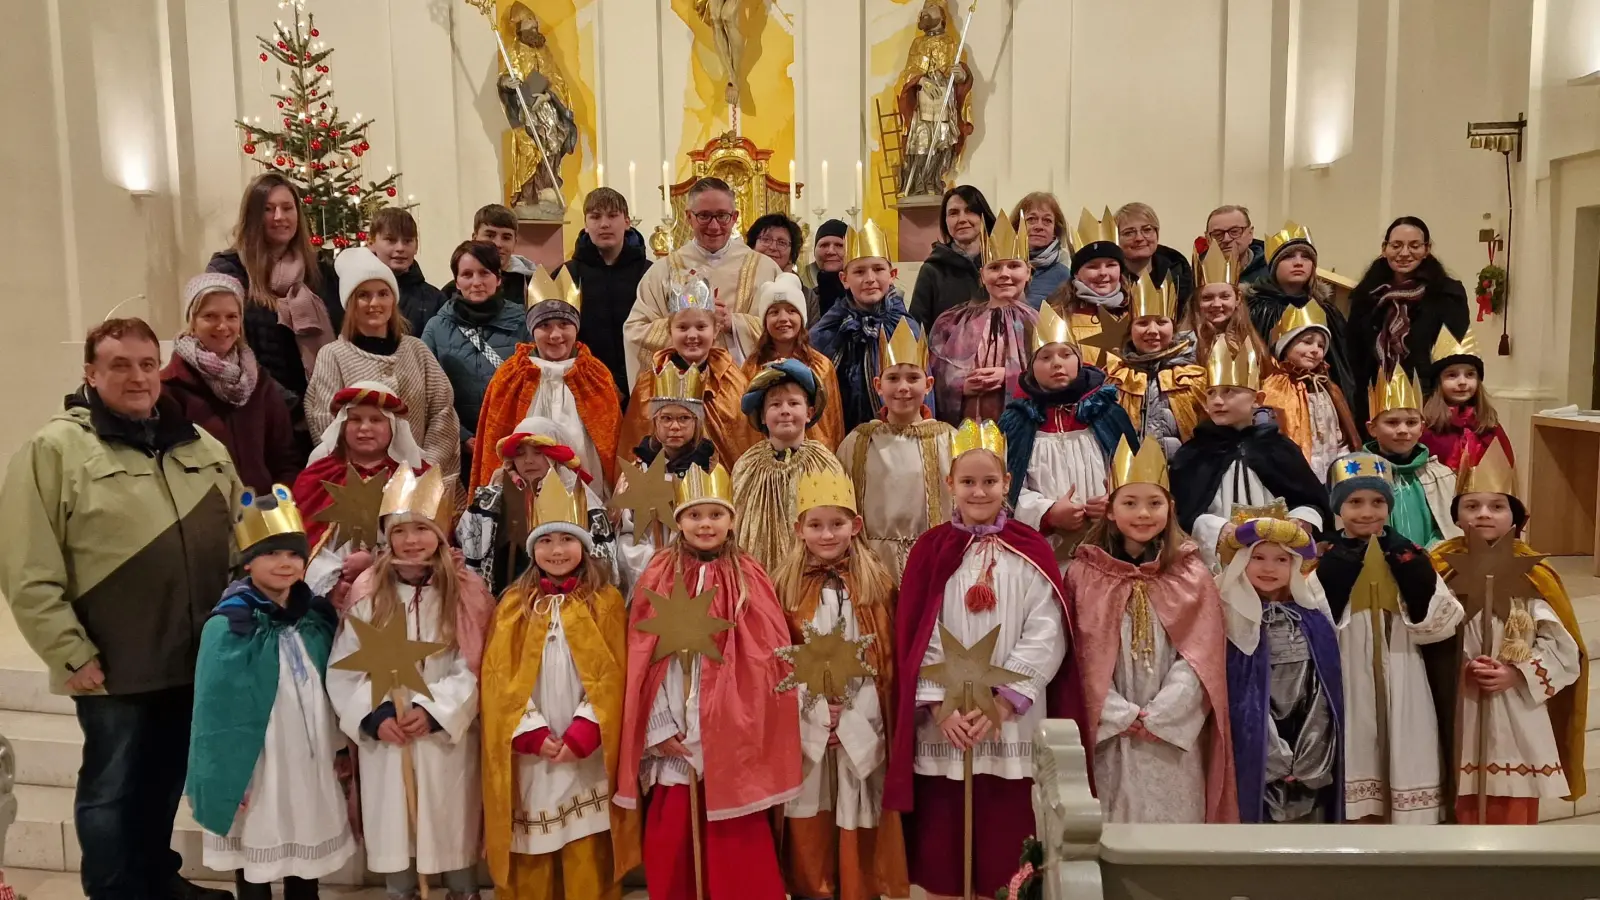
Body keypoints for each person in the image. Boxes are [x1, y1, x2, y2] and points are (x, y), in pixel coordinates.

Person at [0, 318, 240, 900]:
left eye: (146, 364)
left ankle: (157, 876)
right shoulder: (53, 450)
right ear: (90, 373)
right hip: (111, 661)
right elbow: (26, 567)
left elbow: (240, 540)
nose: (137, 377)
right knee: (111, 787)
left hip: (191, 655)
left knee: (163, 779)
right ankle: (114, 890)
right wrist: (68, 652)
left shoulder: (201, 445)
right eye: (119, 365)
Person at [885, 420, 1086, 900]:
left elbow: (1046, 630)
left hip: (1011, 720)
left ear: (1007, 484)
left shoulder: (1030, 549)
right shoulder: (931, 550)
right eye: (968, 481)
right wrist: (940, 707)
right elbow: (920, 632)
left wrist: (1002, 703)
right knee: (946, 852)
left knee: (1006, 842)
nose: (978, 491)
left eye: (989, 481)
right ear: (950, 483)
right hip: (947, 723)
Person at [613, 463, 801, 900]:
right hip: (673, 729)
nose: (705, 524)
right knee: (676, 840)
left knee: (736, 846)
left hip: (730, 733)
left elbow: (765, 657)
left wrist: (720, 724)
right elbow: (645, 654)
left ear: (732, 520)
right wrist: (660, 726)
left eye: (716, 514)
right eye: (695, 515)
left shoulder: (749, 576)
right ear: (679, 519)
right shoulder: (659, 573)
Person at [326, 467, 494, 899]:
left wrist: (437, 712)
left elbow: (475, 664)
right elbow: (345, 666)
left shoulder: (464, 589)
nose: (411, 540)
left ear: (440, 533)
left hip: (445, 739)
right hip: (389, 736)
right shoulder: (369, 591)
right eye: (400, 530)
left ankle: (463, 889)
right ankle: (401, 891)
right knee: (395, 827)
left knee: (450, 822)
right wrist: (375, 715)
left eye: (422, 528)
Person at [187, 487, 353, 900]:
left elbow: (333, 688)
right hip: (256, 763)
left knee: (304, 842)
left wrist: (339, 748)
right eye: (271, 554)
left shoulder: (314, 619)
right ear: (248, 562)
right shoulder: (229, 626)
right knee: (256, 847)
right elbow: (213, 711)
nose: (285, 564)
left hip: (307, 758)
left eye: (294, 555)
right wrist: (225, 773)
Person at [480, 470, 640, 899]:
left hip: (585, 753)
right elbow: (499, 678)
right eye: (546, 541)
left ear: (583, 546)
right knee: (533, 842)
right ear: (534, 550)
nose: (556, 550)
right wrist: (530, 732)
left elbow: (613, 673)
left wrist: (585, 729)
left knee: (586, 846)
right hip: (533, 755)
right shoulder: (514, 603)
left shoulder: (605, 602)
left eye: (567, 540)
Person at [1065, 436, 1236, 823]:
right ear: (1109, 510)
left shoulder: (1191, 574)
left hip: (1174, 735)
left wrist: (1163, 715)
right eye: (1130, 503)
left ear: (1170, 508)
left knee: (1172, 821)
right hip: (1109, 731)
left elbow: (1201, 655)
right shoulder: (1085, 574)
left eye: (1154, 503)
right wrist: (1120, 714)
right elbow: (1081, 654)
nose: (1143, 514)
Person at [1430, 442, 1588, 824]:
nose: (1484, 514)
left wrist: (1516, 673)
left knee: (1512, 802)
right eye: (1472, 506)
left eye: (1497, 506)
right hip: (1459, 702)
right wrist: (1455, 669)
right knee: (1456, 793)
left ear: (1515, 518)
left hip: (1516, 704)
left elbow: (1563, 649)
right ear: (1456, 515)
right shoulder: (1436, 568)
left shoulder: (1534, 574)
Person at [773, 470, 909, 900]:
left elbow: (884, 662)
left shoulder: (877, 585)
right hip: (806, 723)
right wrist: (816, 714)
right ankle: (813, 889)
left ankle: (858, 889)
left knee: (857, 803)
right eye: (815, 525)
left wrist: (847, 718)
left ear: (856, 526)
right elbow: (776, 661)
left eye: (837, 524)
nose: (826, 534)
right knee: (810, 806)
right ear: (798, 529)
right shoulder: (783, 588)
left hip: (861, 721)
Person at [1318, 451, 1463, 822]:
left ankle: (1408, 818)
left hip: (1402, 656)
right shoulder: (1326, 556)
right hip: (1349, 660)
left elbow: (1445, 615)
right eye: (1355, 502)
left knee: (1408, 729)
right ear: (1338, 507)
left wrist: (1416, 588)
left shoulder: (1407, 553)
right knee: (1358, 731)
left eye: (1378, 501)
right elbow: (1314, 612)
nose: (1368, 512)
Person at [1219, 512, 1344, 824]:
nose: (1269, 568)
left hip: (1308, 750)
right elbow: (1238, 698)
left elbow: (1323, 696)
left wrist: (1307, 757)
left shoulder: (1312, 620)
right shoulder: (1228, 620)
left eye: (1281, 560)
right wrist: (1275, 756)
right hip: (1257, 753)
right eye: (1258, 557)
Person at [1169, 337, 1329, 568]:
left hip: (1277, 561)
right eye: (1211, 393)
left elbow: (1312, 501)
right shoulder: (1194, 453)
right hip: (1216, 563)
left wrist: (1303, 519)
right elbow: (1183, 513)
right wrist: (1214, 528)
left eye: (1229, 392)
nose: (1217, 401)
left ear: (1258, 399)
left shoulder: (1278, 448)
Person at [1001, 303, 1138, 567]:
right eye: (1045, 357)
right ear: (1030, 367)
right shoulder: (1017, 420)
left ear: (1079, 361)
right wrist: (1047, 513)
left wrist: (1115, 503)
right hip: (1043, 548)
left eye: (1066, 354)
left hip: (1107, 544)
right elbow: (1007, 485)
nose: (1057, 364)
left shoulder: (1107, 413)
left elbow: (1134, 476)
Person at [207, 172, 343, 437]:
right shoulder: (229, 270)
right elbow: (225, 348)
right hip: (257, 415)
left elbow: (341, 339)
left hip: (320, 416)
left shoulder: (320, 272)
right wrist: (290, 407)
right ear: (253, 217)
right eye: (268, 210)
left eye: (287, 208)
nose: (279, 217)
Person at [306, 246, 461, 476]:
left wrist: (424, 468)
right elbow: (325, 421)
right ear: (350, 304)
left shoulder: (417, 351)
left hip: (420, 479)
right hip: (359, 486)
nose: (374, 303)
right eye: (363, 295)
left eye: (382, 293)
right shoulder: (333, 356)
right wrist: (366, 474)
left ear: (393, 300)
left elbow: (442, 412)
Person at [469, 266, 623, 500]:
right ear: (532, 329)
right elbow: (492, 445)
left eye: (564, 324)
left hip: (586, 488)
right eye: (545, 326)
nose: (555, 335)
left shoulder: (595, 374)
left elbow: (611, 445)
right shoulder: (511, 375)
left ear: (577, 327)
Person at [624, 177, 781, 385]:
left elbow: (786, 331)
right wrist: (687, 323)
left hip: (743, 394)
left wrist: (732, 323)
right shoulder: (662, 272)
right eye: (704, 216)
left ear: (735, 217)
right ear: (689, 217)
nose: (714, 226)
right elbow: (635, 331)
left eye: (722, 216)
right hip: (681, 394)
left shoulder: (764, 269)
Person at [833, 319, 954, 581]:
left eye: (913, 378)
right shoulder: (858, 441)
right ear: (878, 385)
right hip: (872, 564)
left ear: (929, 384)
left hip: (931, 559)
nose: (902, 387)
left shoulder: (948, 439)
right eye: (893, 378)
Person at [162, 273, 298, 493]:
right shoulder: (171, 387)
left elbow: (285, 457)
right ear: (192, 321)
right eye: (210, 316)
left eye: (231, 316)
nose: (222, 326)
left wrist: (279, 500)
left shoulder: (260, 383)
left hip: (263, 512)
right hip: (206, 515)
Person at [458, 415, 620, 595]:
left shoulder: (585, 504)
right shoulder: (491, 502)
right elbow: (470, 553)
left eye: (538, 452)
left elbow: (603, 567)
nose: (528, 461)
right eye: (520, 453)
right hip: (508, 603)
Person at [292, 381, 426, 596]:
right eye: (355, 419)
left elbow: (429, 544)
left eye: (376, 420)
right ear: (343, 425)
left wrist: (377, 562)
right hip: (327, 598)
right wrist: (332, 584)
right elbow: (299, 544)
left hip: (397, 592)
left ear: (393, 426)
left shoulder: (415, 479)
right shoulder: (317, 477)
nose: (365, 427)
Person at [620, 279, 758, 469]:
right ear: (670, 330)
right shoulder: (649, 384)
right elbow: (634, 443)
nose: (692, 335)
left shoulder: (733, 380)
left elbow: (746, 440)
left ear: (716, 329)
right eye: (682, 327)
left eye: (701, 327)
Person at [1346, 216, 1472, 424]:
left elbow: (1453, 354)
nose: (1404, 253)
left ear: (1427, 249)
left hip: (1428, 401)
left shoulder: (1447, 293)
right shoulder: (1366, 295)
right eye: (1396, 245)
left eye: (1414, 246)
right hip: (1374, 399)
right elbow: (1354, 354)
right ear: (1384, 248)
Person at [423, 240, 532, 480]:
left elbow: (535, 385)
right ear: (457, 281)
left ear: (499, 278)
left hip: (515, 447)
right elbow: (428, 392)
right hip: (456, 449)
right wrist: (463, 437)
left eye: (485, 273)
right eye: (467, 274)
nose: (476, 282)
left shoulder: (524, 324)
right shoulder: (436, 328)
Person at [731, 359, 849, 574]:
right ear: (763, 417)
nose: (785, 410)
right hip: (757, 576)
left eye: (794, 403)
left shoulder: (824, 463)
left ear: (809, 413)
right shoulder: (746, 466)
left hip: (809, 576)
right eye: (775, 405)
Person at [929, 208, 1038, 424]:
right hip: (967, 426)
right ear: (982, 275)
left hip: (1019, 427)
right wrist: (961, 385)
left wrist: (1009, 377)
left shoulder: (1039, 323)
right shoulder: (953, 322)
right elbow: (935, 373)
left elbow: (1055, 375)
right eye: (995, 267)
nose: (1004, 274)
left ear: (1028, 272)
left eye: (1014, 266)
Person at [613, 365, 719, 588]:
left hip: (700, 573)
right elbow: (624, 533)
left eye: (684, 418)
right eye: (666, 418)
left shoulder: (711, 471)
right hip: (648, 572)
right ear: (654, 422)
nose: (675, 426)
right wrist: (654, 562)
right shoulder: (637, 471)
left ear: (697, 422)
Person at [811, 219, 914, 432]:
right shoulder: (829, 329)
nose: (870, 279)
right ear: (844, 279)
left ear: (892, 275)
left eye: (878, 269)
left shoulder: (907, 328)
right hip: (842, 434)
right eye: (859, 272)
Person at [559, 188, 654, 403]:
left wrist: (622, 383)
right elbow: (560, 335)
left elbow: (657, 331)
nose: (604, 224)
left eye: (612, 216)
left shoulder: (651, 274)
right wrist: (594, 381)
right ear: (585, 223)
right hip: (582, 388)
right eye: (595, 216)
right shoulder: (567, 274)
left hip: (641, 385)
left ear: (627, 221)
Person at [1244, 223, 1356, 402]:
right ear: (1274, 265)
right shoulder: (1257, 309)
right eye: (1288, 257)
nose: (1298, 262)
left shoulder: (1327, 310)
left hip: (1319, 399)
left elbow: (1343, 368)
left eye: (1306, 257)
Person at [1103, 273, 1206, 458]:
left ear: (1173, 327)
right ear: (1130, 329)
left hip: (1181, 475)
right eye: (1142, 323)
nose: (1152, 331)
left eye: (1161, 322)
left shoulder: (1195, 378)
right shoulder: (1114, 377)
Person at [743, 272, 846, 449]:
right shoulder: (752, 367)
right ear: (765, 321)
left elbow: (832, 425)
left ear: (802, 318)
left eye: (792, 311)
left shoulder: (820, 366)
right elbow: (746, 426)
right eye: (774, 312)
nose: (783, 318)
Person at [1261, 303, 1361, 482]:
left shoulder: (1328, 388)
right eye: (1307, 342)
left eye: (1321, 346)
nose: (1315, 349)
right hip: (1293, 478)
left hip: (1331, 475)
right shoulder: (1273, 388)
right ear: (1285, 345)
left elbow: (1341, 435)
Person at [1364, 366, 1462, 548]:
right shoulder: (1358, 474)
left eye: (1411, 423)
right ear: (1372, 429)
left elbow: (1449, 530)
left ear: (1422, 428)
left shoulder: (1440, 475)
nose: (1402, 430)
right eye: (1392, 422)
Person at [1420, 328, 1514, 471]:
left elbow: (1505, 468)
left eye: (1470, 375)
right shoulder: (1428, 428)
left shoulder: (1488, 425)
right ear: (1438, 382)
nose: (1462, 382)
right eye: (1452, 375)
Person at [1050, 207, 1129, 369]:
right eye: (1092, 267)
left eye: (1111, 265)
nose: (1103, 273)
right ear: (1077, 274)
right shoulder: (1060, 314)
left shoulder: (1136, 312)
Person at [909, 185, 995, 329]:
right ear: (945, 221)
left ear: (983, 216)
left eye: (970, 211)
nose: (962, 219)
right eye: (953, 213)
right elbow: (917, 327)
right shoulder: (932, 270)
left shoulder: (1001, 265)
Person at [1181, 250, 1268, 370]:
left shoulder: (1253, 343)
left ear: (1237, 299)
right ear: (1196, 302)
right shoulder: (1184, 347)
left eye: (1225, 296)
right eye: (1207, 297)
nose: (1217, 304)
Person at [368, 207, 446, 336]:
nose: (400, 248)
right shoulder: (356, 295)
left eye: (408, 241)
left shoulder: (435, 299)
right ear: (371, 242)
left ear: (416, 246)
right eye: (391, 240)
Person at [445, 203, 539, 305]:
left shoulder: (533, 287)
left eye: (506, 237)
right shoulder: (451, 292)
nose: (498, 244)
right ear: (474, 238)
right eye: (490, 235)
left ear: (515, 243)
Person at [1115, 202, 1194, 320]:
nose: (1139, 238)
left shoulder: (1179, 274)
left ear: (1157, 234)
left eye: (1147, 230)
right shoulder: (1109, 279)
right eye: (1129, 233)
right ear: (1116, 239)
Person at [746, 213, 818, 322]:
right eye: (766, 239)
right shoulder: (737, 282)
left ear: (791, 254)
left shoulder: (805, 295)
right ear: (752, 246)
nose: (773, 247)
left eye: (782, 243)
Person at [1014, 192, 1071, 308]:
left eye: (1047, 220)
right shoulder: (1002, 269)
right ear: (1017, 226)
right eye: (1031, 219)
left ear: (1056, 230)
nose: (1039, 226)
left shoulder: (1064, 276)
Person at [1204, 204, 1267, 284]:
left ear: (1250, 234)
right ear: (1208, 239)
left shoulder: (1273, 273)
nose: (1226, 239)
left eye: (1234, 231)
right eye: (1218, 234)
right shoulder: (1197, 275)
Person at [807, 218, 851, 318]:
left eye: (840, 245)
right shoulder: (806, 297)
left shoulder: (863, 294)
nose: (831, 251)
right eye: (824, 245)